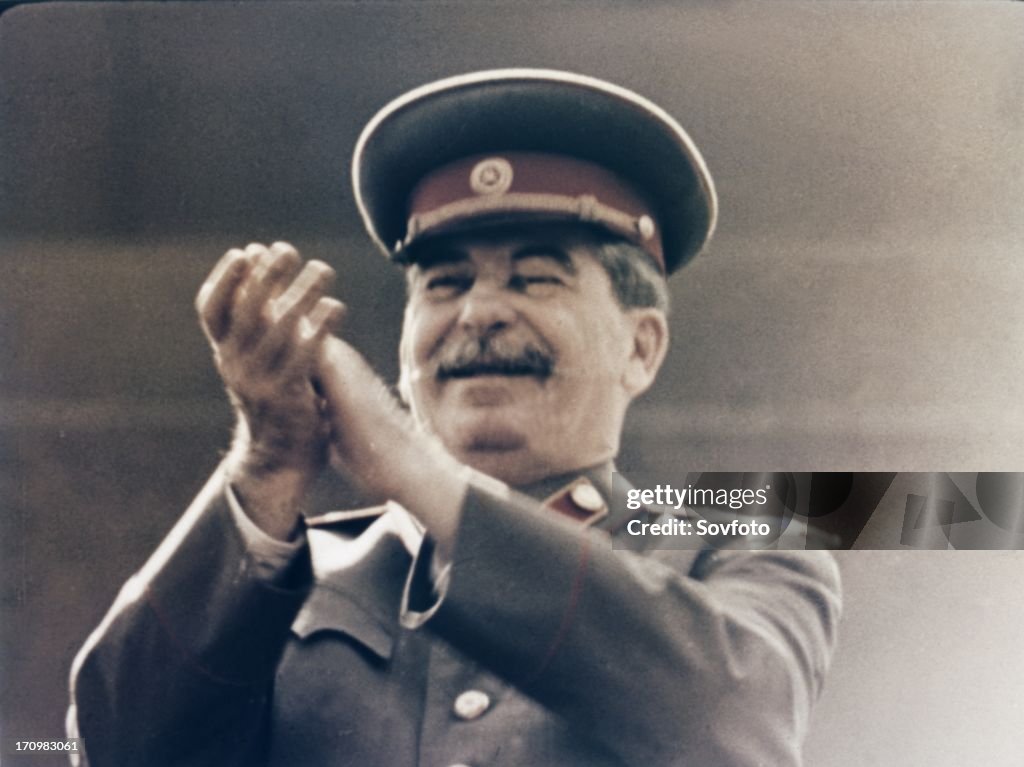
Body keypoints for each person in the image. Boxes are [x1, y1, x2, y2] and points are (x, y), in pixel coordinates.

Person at [67, 69, 841, 767]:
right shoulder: (284, 577)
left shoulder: (742, 544)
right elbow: (115, 747)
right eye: (443, 283)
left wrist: (424, 477)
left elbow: (737, 723)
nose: (477, 312)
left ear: (640, 348)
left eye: (536, 279)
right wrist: (265, 465)